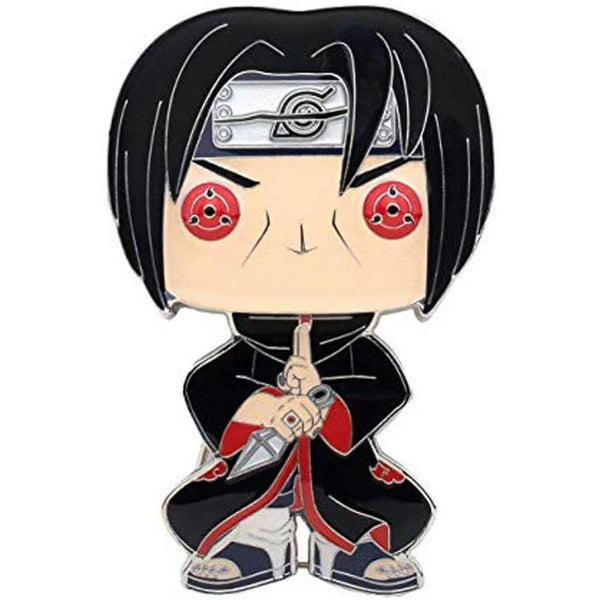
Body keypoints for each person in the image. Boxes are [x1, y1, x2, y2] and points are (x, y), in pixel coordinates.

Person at [108, 7, 494, 593]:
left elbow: (384, 389)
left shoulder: (361, 355)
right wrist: (262, 410)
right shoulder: (237, 359)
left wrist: (325, 404)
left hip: (344, 468)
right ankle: (255, 542)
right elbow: (208, 390)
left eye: (387, 209)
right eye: (214, 211)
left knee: (367, 496)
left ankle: (348, 548)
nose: (302, 240)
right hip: (253, 462)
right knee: (232, 493)